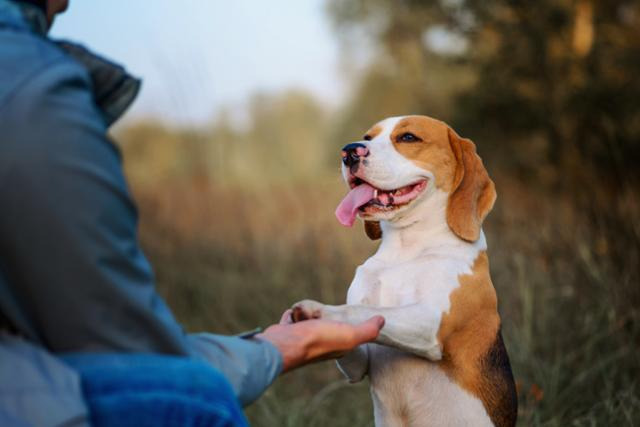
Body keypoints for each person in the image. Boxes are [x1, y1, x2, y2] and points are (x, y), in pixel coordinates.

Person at [0, 1, 385, 425]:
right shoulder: (31, 87)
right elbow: (142, 364)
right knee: (195, 402)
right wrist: (283, 348)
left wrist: (271, 345)